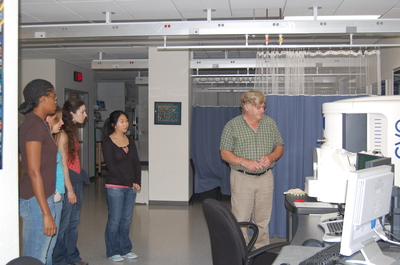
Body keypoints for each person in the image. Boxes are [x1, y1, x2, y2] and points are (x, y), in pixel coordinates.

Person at [220, 89, 284, 249]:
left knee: (262, 219)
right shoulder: (232, 126)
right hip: (242, 178)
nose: (262, 110)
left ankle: (260, 250)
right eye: (259, 107)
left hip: (265, 178)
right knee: (241, 219)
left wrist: (271, 157)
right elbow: (225, 153)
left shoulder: (270, 123)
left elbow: (279, 146)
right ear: (247, 106)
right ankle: (241, 251)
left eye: (263, 107)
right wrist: (244, 162)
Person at [18, 79, 58, 263]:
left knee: (43, 253)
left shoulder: (39, 124)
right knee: (35, 256)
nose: (55, 101)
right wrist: (46, 213)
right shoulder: (34, 126)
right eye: (53, 97)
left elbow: (23, 158)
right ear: (42, 99)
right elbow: (33, 171)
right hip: (36, 201)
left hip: (41, 197)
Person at [52, 99, 89, 265]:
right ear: (72, 114)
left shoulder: (71, 131)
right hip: (69, 183)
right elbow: (62, 164)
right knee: (64, 224)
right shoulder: (63, 134)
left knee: (73, 223)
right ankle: (59, 259)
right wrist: (70, 189)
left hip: (76, 180)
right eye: (82, 111)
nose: (85, 115)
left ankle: (73, 257)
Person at [102, 110, 141, 262]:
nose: (125, 124)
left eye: (126, 121)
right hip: (115, 187)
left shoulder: (130, 140)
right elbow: (111, 167)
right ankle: (112, 250)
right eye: (122, 121)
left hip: (130, 187)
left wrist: (137, 181)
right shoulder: (108, 142)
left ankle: (125, 248)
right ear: (113, 125)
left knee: (126, 219)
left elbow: (136, 163)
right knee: (115, 219)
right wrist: (128, 183)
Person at [45, 106, 77, 265]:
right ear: (49, 119)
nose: (62, 123)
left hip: (60, 191)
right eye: (59, 119)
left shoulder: (53, 138)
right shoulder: (46, 140)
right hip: (53, 192)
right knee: (51, 238)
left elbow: (63, 164)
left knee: (55, 235)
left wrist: (68, 190)